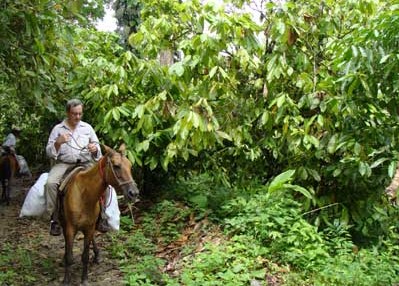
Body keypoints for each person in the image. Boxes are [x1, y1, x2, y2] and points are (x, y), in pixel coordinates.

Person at [45, 98, 102, 236]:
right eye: (74, 113)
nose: (77, 117)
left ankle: (103, 217)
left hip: (85, 163)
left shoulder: (87, 128)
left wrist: (94, 149)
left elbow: (97, 148)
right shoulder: (58, 129)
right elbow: (48, 152)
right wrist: (58, 143)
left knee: (104, 182)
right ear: (67, 113)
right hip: (65, 164)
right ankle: (54, 218)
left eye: (79, 114)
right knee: (50, 183)